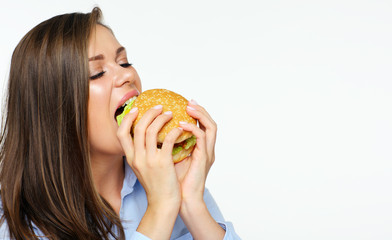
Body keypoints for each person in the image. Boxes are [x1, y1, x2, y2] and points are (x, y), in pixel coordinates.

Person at [0, 7, 240, 240]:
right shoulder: (12, 220)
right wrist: (162, 207)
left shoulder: (169, 176)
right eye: (97, 73)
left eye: (124, 62)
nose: (128, 75)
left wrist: (190, 201)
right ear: (54, 108)